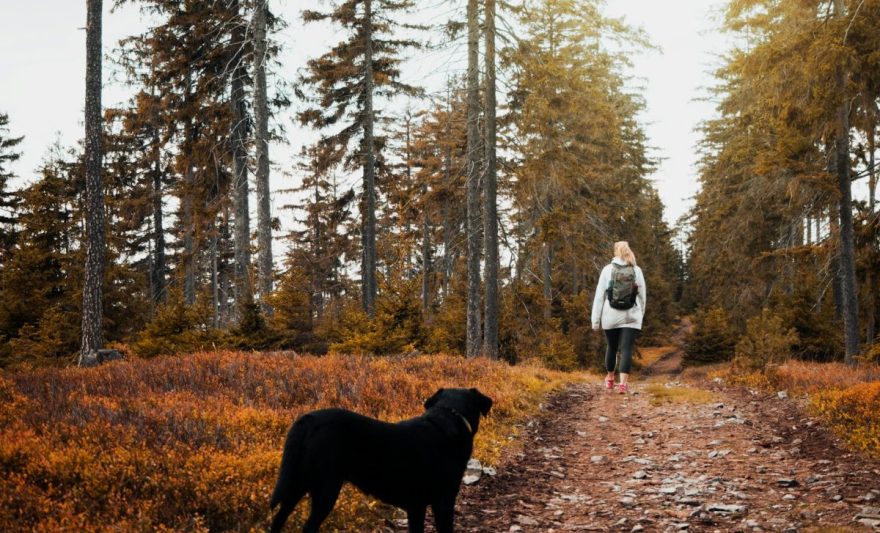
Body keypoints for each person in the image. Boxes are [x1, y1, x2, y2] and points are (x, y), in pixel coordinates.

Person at [591, 241, 646, 394]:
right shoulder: (636, 270)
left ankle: (610, 379)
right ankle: (622, 384)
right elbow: (642, 297)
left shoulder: (607, 270)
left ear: (616, 252)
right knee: (627, 349)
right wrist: (640, 315)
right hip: (631, 316)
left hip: (610, 316)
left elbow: (599, 297)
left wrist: (595, 321)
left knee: (612, 347)